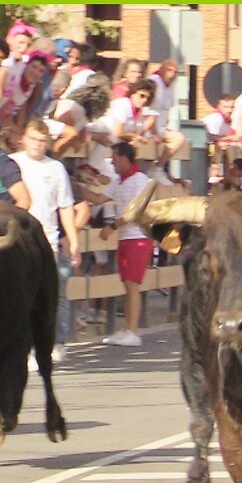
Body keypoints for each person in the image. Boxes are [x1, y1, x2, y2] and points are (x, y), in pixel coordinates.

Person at [11, 120, 79, 363]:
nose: (37, 145)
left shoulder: (56, 168)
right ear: (24, 139)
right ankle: (25, 345)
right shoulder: (13, 163)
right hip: (19, 239)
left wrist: (72, 239)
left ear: (48, 143)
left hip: (48, 239)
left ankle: (57, 341)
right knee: (23, 295)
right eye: (33, 140)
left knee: (54, 294)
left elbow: (65, 206)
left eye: (42, 141)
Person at [99, 142, 152, 347]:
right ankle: (127, 329)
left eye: (114, 157)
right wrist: (77, 187)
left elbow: (135, 211)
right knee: (127, 285)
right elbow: (99, 198)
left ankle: (132, 331)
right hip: (125, 237)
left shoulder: (139, 179)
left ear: (123, 157)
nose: (112, 161)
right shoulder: (119, 180)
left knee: (132, 285)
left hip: (138, 236)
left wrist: (112, 226)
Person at [146, 58, 186, 169]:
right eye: (169, 70)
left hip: (161, 128)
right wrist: (155, 133)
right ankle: (157, 168)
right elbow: (149, 111)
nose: (172, 74)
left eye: (175, 71)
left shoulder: (172, 86)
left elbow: (168, 110)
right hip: (149, 128)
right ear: (162, 69)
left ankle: (159, 167)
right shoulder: (153, 82)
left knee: (179, 138)